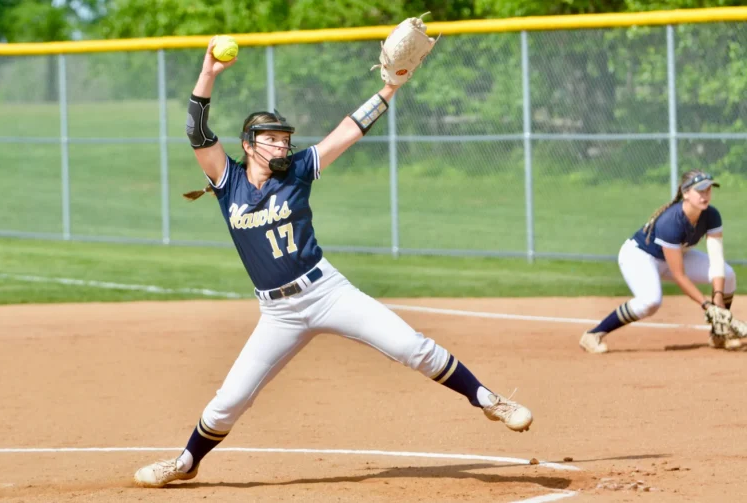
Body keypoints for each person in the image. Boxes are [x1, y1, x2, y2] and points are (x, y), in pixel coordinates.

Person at [133, 32, 533, 488]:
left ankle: (489, 401)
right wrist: (208, 72)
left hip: (326, 292)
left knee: (411, 346)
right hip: (278, 312)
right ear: (248, 144)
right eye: (270, 139)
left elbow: (350, 130)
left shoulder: (298, 170)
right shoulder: (228, 180)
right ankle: (186, 462)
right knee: (231, 400)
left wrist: (390, 87)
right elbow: (197, 131)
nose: (281, 146)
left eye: (284, 139)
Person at [579, 169, 739, 354]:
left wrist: (718, 301)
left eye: (708, 190)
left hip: (675, 255)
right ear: (686, 193)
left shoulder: (711, 215)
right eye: (700, 190)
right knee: (650, 301)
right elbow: (679, 275)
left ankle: (719, 334)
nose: (705, 195)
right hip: (640, 257)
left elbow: (716, 260)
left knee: (728, 274)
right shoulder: (671, 221)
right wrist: (706, 305)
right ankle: (593, 334)